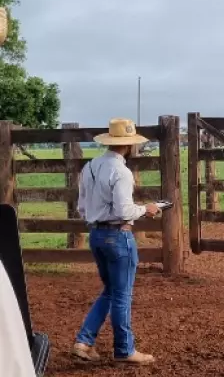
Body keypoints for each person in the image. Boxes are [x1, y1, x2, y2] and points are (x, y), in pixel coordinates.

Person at [71, 118, 160, 365]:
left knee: (110, 291)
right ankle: (125, 349)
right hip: (118, 236)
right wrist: (147, 209)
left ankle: (84, 341)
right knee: (122, 295)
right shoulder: (121, 171)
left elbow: (81, 207)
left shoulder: (89, 167)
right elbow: (124, 210)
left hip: (96, 235)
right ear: (129, 145)